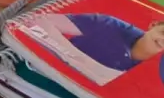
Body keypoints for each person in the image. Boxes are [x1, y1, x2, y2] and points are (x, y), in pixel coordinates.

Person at [26, 13, 164, 85]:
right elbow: (38, 22)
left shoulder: (158, 75)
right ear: (153, 25)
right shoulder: (110, 26)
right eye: (163, 33)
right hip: (47, 77)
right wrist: (80, 60)